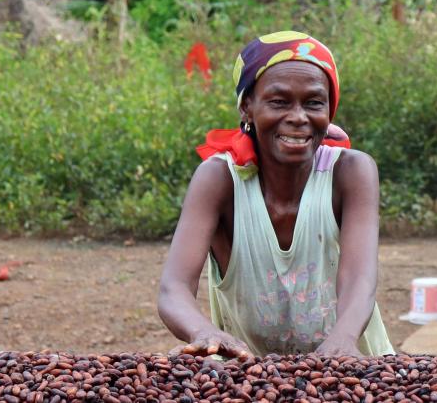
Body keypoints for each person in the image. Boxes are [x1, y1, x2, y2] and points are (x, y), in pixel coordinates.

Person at [157, 31, 395, 358]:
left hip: (353, 367)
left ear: (330, 110)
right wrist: (204, 332)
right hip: (251, 376)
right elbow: (174, 288)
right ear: (247, 108)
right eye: (279, 102)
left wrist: (343, 341)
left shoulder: (351, 173)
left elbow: (359, 278)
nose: (298, 117)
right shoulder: (219, 179)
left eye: (313, 102)